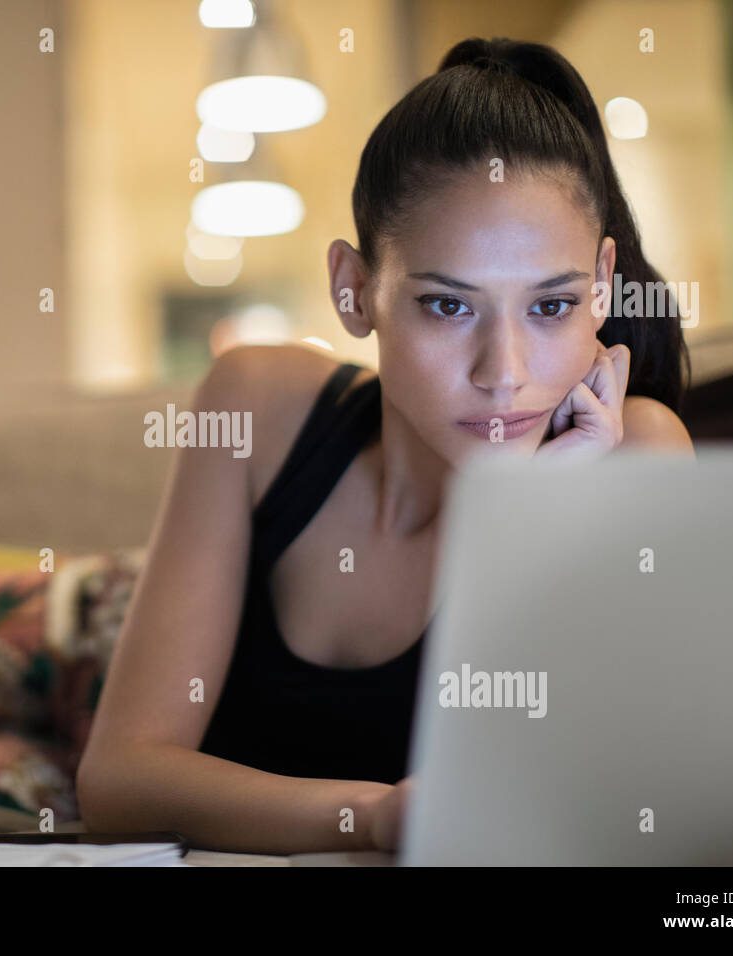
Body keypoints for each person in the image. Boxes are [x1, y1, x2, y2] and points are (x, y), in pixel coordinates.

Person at [76, 37, 696, 856]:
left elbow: (615, 822)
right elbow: (119, 780)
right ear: (353, 289)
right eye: (448, 307)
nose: (504, 375)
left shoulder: (636, 460)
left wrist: (535, 522)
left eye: (550, 307)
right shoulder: (255, 407)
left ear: (604, 283)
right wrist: (373, 817)